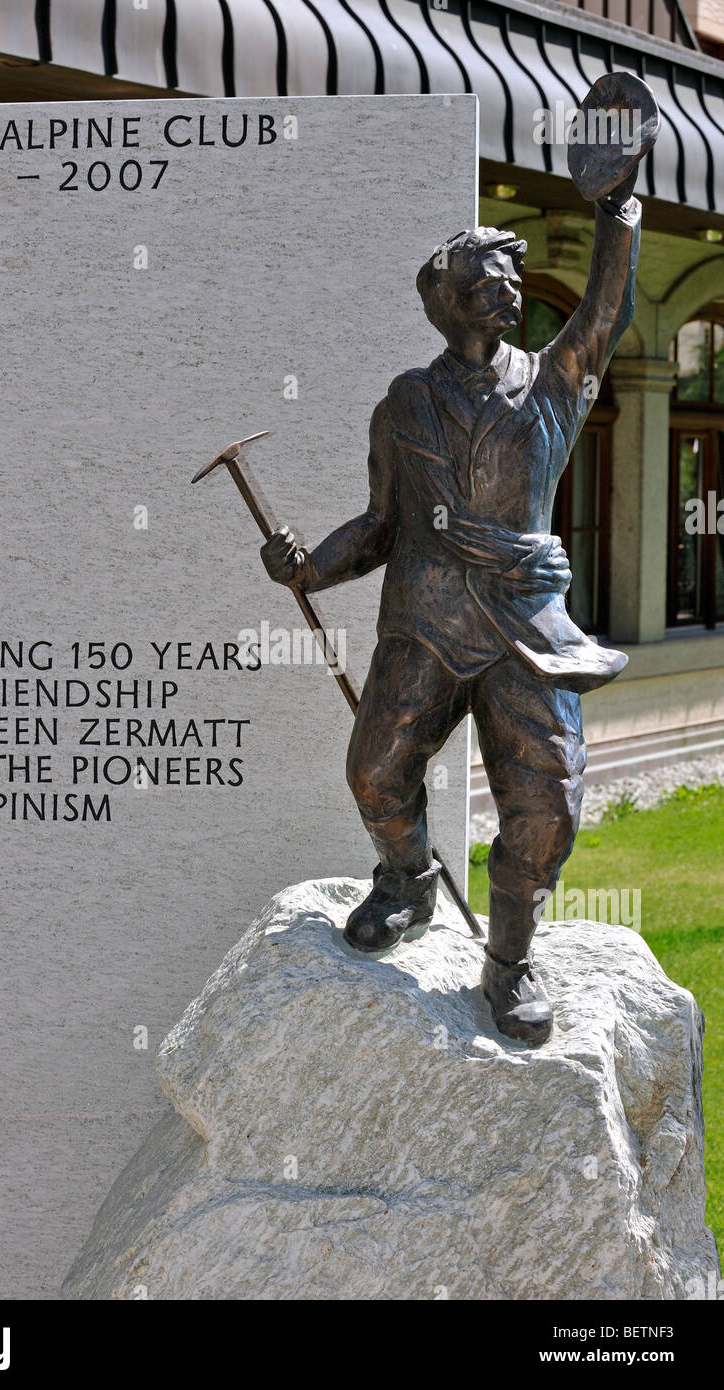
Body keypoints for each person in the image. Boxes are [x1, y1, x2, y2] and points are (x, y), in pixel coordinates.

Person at [261, 165, 642, 1046]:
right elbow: (382, 522)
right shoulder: (405, 401)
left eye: (512, 282)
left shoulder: (554, 383)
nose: (508, 293)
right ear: (445, 302)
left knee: (544, 813)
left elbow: (607, 309)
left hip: (525, 632)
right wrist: (308, 570)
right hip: (426, 624)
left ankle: (508, 963)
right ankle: (406, 882)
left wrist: (616, 207)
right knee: (374, 773)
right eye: (488, 283)